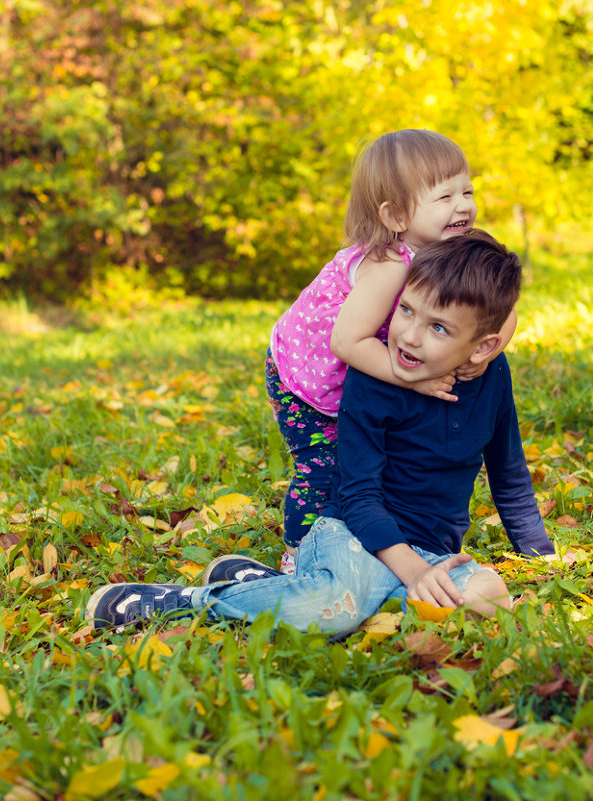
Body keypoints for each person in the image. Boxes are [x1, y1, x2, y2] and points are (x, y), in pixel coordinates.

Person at [86, 230, 555, 635]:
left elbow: (507, 470)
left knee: (489, 596)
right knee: (333, 613)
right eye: (406, 311)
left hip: (431, 550)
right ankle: (184, 601)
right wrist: (412, 571)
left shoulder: (493, 377)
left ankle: (275, 588)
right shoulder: (374, 376)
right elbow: (358, 495)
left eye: (437, 327)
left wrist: (539, 554)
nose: (409, 335)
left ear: (483, 348)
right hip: (353, 534)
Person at [264, 129, 516, 573]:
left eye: (467, 190)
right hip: (307, 379)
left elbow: (501, 306)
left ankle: (373, 530)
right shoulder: (387, 266)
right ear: (396, 215)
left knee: (368, 455)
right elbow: (346, 343)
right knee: (324, 464)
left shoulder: (453, 247)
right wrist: (413, 376)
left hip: (361, 361)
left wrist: (485, 354)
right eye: (444, 197)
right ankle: (299, 551)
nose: (463, 205)